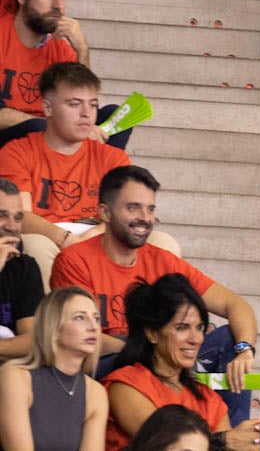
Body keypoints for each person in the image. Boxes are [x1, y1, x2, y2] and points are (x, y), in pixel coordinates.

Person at [50, 167, 258, 391]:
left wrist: (244, 350)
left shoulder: (163, 261)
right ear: (105, 213)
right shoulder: (74, 260)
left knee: (229, 338)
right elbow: (80, 336)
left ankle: (233, 427)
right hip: (107, 363)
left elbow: (235, 304)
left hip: (160, 353)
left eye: (150, 209)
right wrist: (154, 351)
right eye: (133, 208)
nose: (145, 218)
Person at [0, 63, 152, 284]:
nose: (86, 114)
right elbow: (21, 217)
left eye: (92, 106)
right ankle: (52, 318)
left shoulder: (113, 158)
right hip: (47, 235)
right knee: (34, 245)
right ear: (48, 108)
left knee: (161, 241)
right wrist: (64, 238)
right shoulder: (17, 152)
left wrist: (96, 235)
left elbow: (126, 215)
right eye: (74, 104)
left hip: (99, 235)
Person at [100, 274, 258, 450]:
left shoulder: (207, 397)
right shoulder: (126, 385)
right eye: (181, 328)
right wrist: (222, 441)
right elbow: (165, 444)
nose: (195, 339)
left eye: (199, 328)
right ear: (152, 333)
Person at [0, 284, 108, 451]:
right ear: (54, 327)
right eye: (80, 317)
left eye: (96, 318)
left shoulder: (96, 392)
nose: (93, 327)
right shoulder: (15, 377)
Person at [0, 0, 89, 136]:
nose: (58, 6)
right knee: (37, 128)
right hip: (7, 140)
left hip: (48, 138)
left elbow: (81, 108)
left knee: (113, 114)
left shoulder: (62, 49)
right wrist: (48, 124)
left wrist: (82, 49)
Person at [0, 178, 43, 361]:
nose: (11, 227)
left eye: (18, 218)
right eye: (1, 215)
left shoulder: (24, 267)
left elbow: (32, 341)